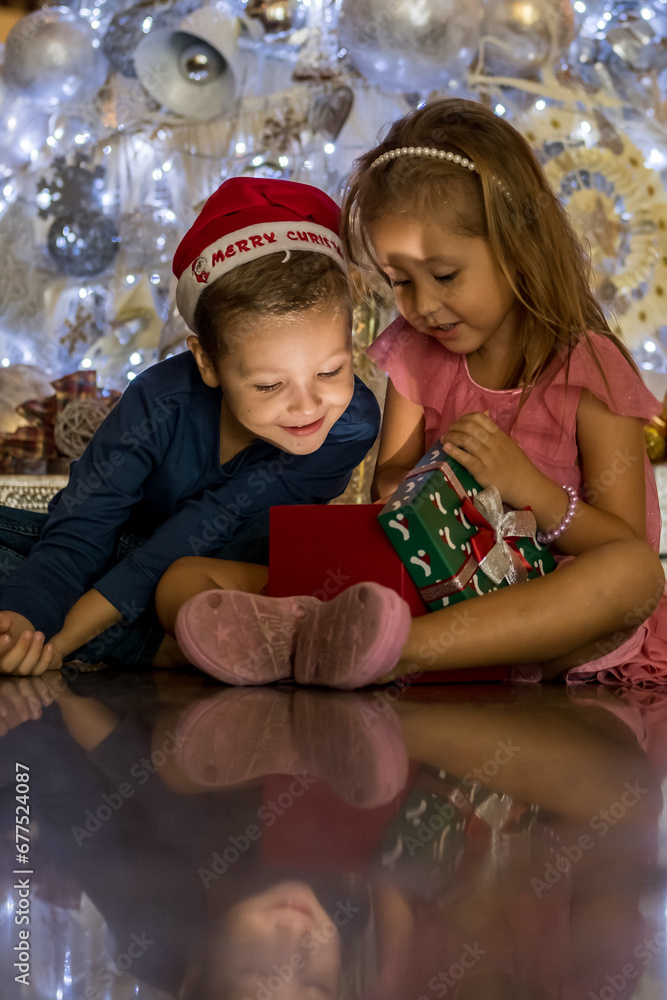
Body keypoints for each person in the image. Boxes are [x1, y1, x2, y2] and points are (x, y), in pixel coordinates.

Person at [174, 97, 666, 689]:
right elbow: (391, 478)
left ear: (518, 247)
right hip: (430, 575)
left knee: (635, 576)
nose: (423, 306)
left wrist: (525, 487)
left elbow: (622, 541)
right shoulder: (416, 351)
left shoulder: (590, 371)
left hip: (539, 610)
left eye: (446, 276)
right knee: (184, 580)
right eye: (400, 282)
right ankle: (335, 639)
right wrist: (435, 491)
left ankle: (397, 651)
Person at [0, 176, 380, 676]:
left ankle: (173, 644)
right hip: (116, 555)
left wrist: (60, 641)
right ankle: (177, 649)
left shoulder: (349, 423)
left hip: (231, 574)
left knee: (185, 580)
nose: (308, 406)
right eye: (269, 385)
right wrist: (22, 618)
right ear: (205, 361)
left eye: (330, 371)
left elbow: (199, 531)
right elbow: (80, 530)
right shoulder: (158, 403)